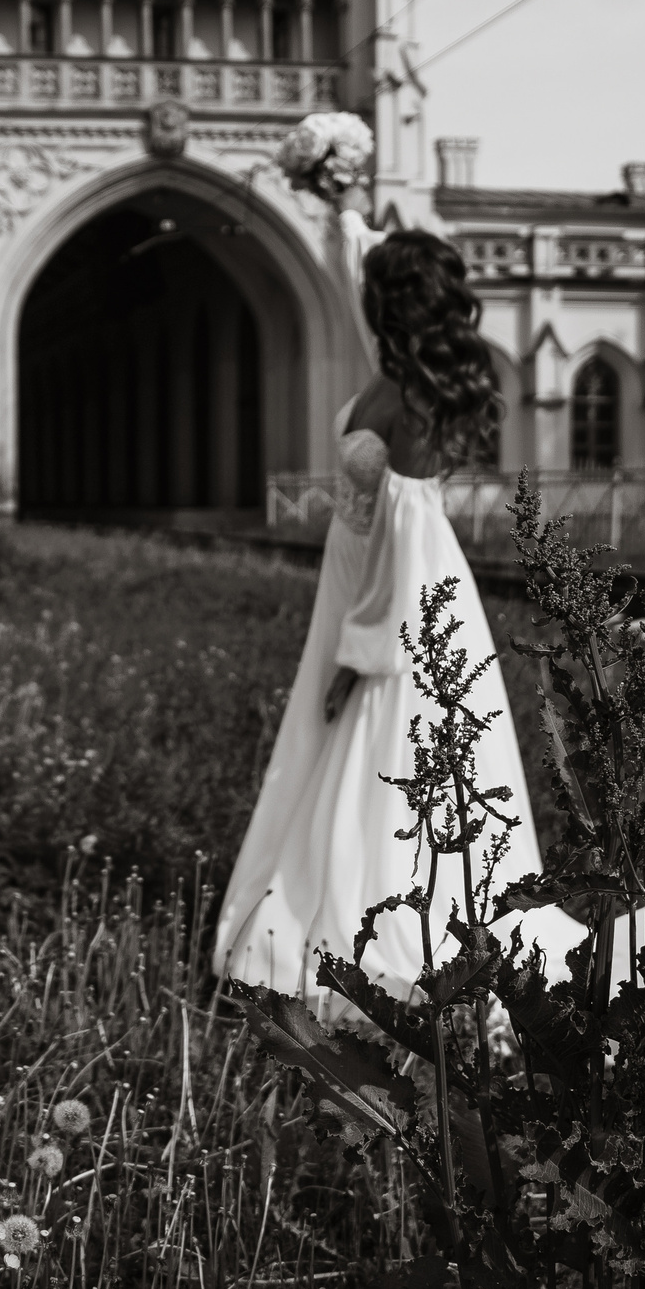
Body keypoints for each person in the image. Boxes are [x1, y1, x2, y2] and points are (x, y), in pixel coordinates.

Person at [212, 229, 590, 1012]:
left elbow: (405, 543)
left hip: (400, 601)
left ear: (391, 301)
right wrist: (337, 200)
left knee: (387, 749)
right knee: (333, 749)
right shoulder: (390, 372)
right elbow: (359, 253)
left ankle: (376, 927)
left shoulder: (417, 401)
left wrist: (359, 655)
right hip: (352, 580)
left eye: (373, 287)